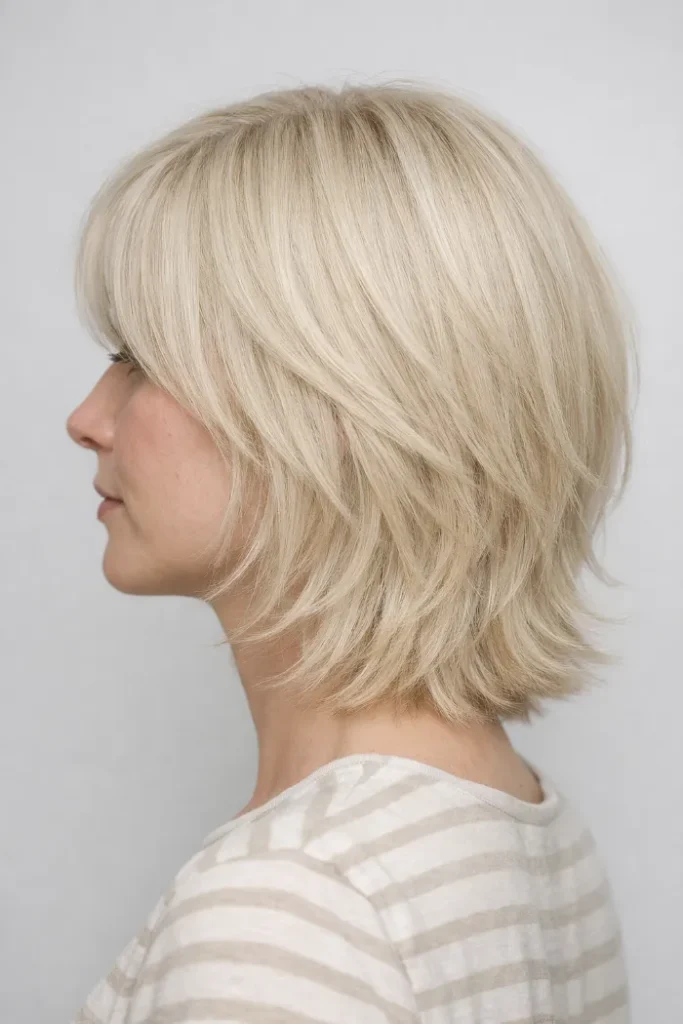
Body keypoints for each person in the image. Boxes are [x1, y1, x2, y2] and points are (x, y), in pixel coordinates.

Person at [66, 79, 637, 1023]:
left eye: (143, 358)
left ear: (337, 410)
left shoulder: (286, 910)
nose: (88, 418)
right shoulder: (521, 821)